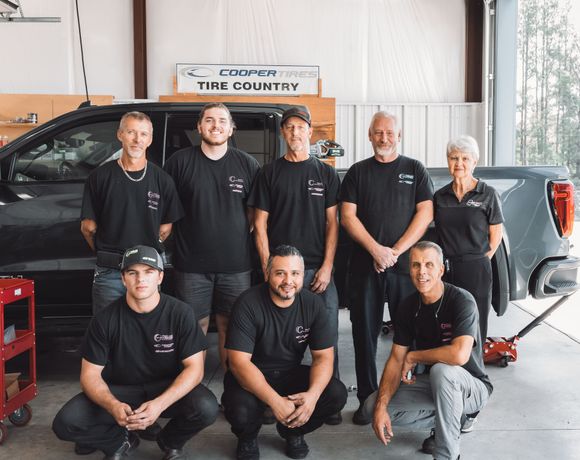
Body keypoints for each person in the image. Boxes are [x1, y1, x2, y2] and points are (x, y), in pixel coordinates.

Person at [52, 245, 219, 460]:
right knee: (66, 422)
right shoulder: (105, 319)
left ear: (160, 276)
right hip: (120, 391)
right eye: (133, 273)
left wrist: (159, 404)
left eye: (148, 272)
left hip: (164, 387)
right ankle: (119, 441)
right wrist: (113, 405)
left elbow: (195, 369)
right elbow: (89, 376)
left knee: (206, 407)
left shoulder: (180, 313)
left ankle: (170, 441)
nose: (141, 279)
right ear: (123, 279)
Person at [248, 106, 342, 424]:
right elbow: (259, 225)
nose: (295, 133)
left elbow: (333, 224)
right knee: (271, 339)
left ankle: (327, 400)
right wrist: (266, 266)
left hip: (316, 271)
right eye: (289, 127)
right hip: (280, 275)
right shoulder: (269, 173)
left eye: (300, 127)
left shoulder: (326, 173)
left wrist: (328, 266)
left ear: (310, 131)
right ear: (283, 133)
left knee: (325, 337)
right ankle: (267, 399)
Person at [339, 111, 434, 424]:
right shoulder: (357, 172)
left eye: (389, 133)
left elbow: (425, 213)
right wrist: (376, 250)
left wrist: (394, 251)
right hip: (366, 267)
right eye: (378, 133)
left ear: (399, 135)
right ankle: (367, 399)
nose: (384, 138)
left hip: (404, 268)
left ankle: (407, 395)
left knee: (411, 332)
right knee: (364, 333)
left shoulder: (414, 169)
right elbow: (348, 217)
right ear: (369, 135)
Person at [367, 241, 492, 460]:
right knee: (372, 407)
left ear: (441, 269)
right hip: (438, 388)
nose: (421, 272)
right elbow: (396, 360)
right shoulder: (408, 306)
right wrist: (381, 406)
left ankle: (447, 455)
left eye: (428, 265)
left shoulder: (462, 300)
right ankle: (454, 418)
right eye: (416, 265)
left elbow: (459, 355)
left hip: (471, 386)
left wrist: (414, 356)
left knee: (442, 370)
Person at [222, 245, 347, 460]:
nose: (288, 281)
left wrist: (312, 396)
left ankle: (293, 431)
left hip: (289, 374)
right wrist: (275, 402)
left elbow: (324, 357)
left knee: (335, 394)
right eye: (280, 273)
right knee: (239, 409)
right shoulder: (247, 303)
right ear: (268, 273)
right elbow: (238, 363)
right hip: (251, 375)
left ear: (302, 275)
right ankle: (248, 437)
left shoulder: (313, 304)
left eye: (295, 274)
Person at [164, 102, 260, 370]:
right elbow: (167, 210)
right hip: (191, 267)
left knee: (233, 328)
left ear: (231, 129)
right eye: (209, 120)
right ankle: (192, 392)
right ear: (199, 127)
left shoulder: (247, 164)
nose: (215, 125)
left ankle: (234, 390)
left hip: (236, 267)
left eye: (221, 120)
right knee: (195, 328)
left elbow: (254, 213)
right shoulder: (179, 163)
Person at [80, 111, 183, 314]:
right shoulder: (100, 177)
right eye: (131, 132)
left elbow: (165, 229)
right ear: (120, 135)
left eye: (143, 134)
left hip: (144, 271)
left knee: (116, 330)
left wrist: (106, 250)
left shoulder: (162, 180)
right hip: (116, 270)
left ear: (150, 139)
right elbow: (88, 228)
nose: (137, 139)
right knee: (120, 330)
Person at [434, 134, 504, 344]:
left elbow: (496, 235)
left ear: (475, 161)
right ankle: (447, 366)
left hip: (476, 268)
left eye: (465, 158)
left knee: (475, 321)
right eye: (454, 158)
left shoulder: (487, 194)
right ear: (448, 161)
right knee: (447, 321)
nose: (459, 164)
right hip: (445, 269)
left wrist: (480, 260)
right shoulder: (440, 196)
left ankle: (474, 369)